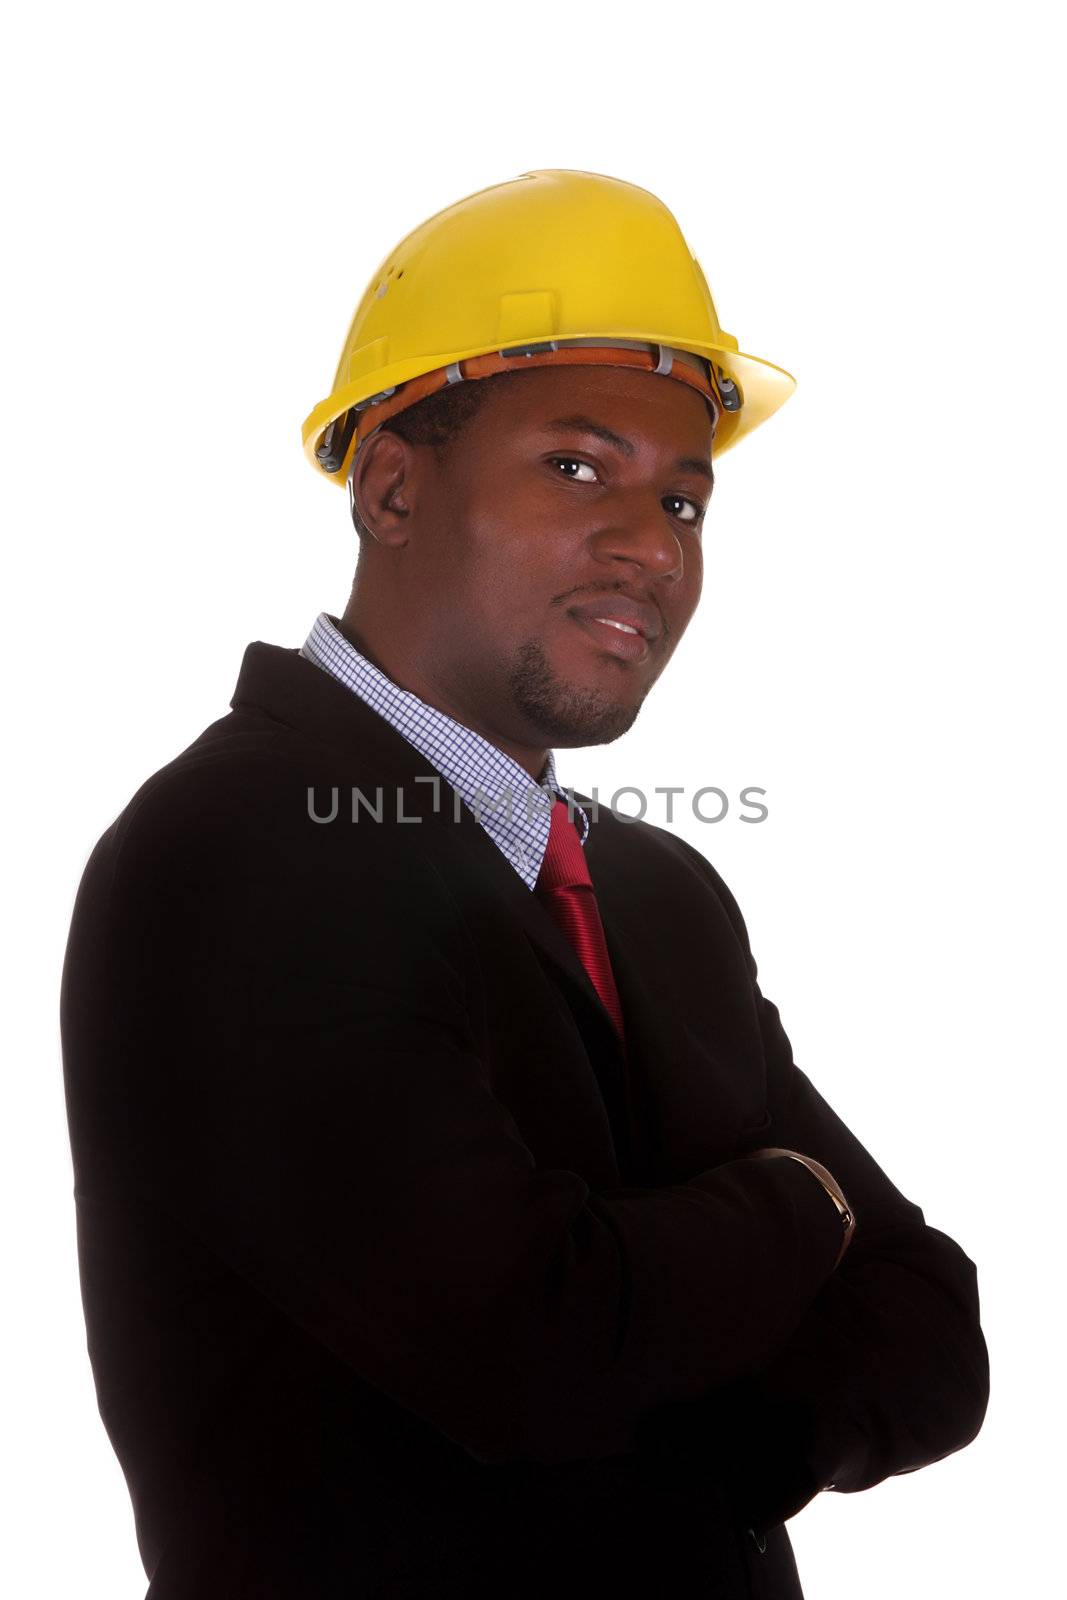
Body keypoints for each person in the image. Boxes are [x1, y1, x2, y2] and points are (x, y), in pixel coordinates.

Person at [59, 168, 989, 1599]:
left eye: (685, 495)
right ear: (390, 483)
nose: (652, 543)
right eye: (577, 466)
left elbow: (933, 1333)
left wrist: (665, 1391)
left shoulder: (663, 893)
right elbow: (531, 1354)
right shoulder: (236, 853)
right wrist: (805, 1203)